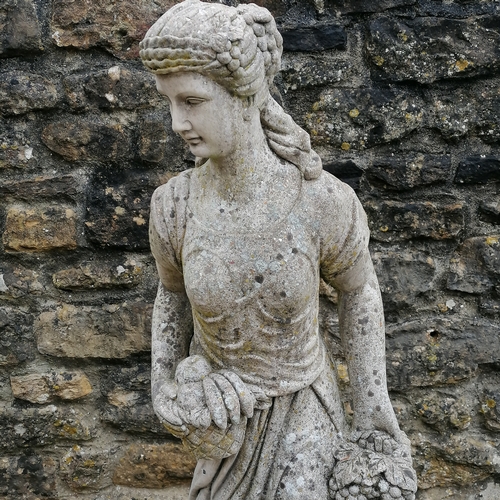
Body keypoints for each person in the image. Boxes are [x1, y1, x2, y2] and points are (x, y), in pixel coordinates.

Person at [139, 1, 416, 499]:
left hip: (304, 417)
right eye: (169, 102)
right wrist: (164, 384)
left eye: (192, 101)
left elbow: (360, 293)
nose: (177, 122)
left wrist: (373, 414)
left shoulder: (321, 201)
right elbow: (171, 297)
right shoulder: (173, 206)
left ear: (244, 95)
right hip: (224, 426)